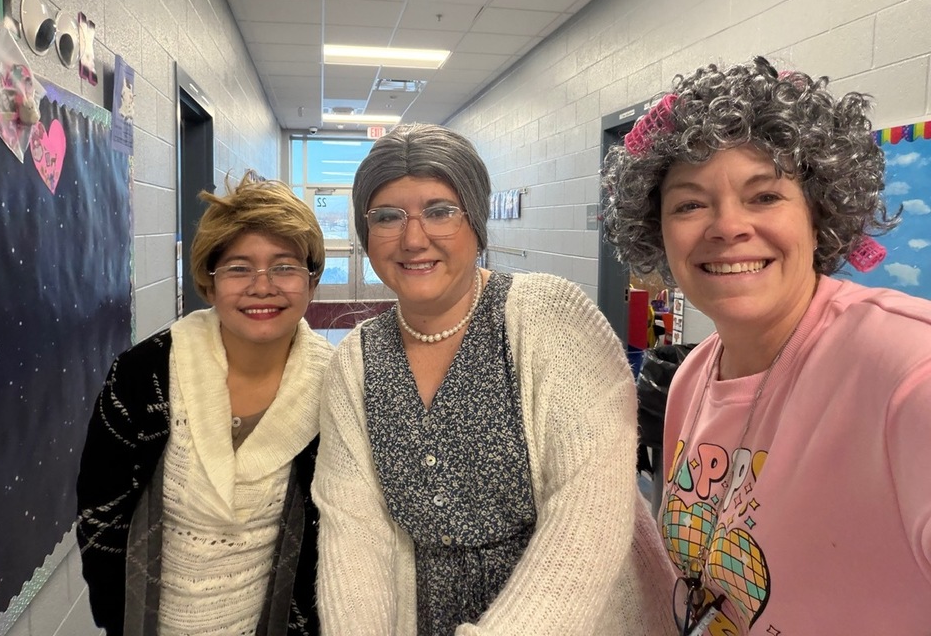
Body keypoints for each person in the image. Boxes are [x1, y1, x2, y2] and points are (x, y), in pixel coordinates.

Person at [600, 57, 931, 635]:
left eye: (764, 196)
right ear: (658, 231)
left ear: (817, 212)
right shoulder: (694, 377)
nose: (727, 226)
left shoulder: (907, 371)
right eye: (689, 204)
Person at [313, 123, 676, 635]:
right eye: (387, 217)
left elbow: (588, 513)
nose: (414, 238)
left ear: (477, 224)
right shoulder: (357, 362)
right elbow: (354, 533)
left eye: (440, 211)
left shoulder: (553, 318)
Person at [76, 177, 332, 635]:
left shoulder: (338, 387)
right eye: (238, 268)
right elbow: (101, 517)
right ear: (208, 284)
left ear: (311, 281)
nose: (262, 287)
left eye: (284, 267)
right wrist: (118, 622)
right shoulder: (143, 375)